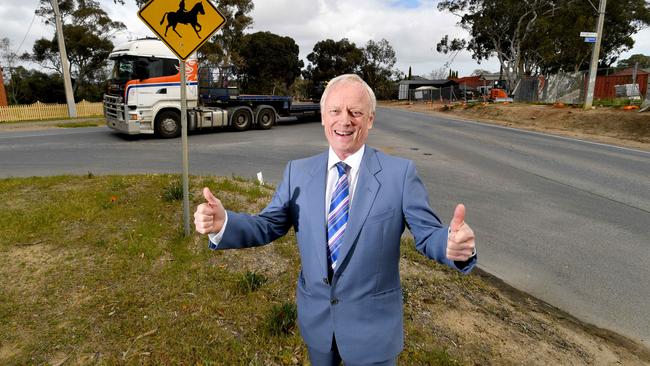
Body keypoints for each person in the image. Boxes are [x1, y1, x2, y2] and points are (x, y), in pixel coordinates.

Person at [194, 74, 477, 366]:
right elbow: (269, 224)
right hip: (318, 325)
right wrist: (224, 223)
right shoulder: (298, 172)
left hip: (373, 333)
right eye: (335, 111)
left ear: (370, 120)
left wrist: (451, 246)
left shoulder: (400, 174)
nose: (345, 121)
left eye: (356, 112)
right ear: (322, 116)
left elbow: (428, 234)